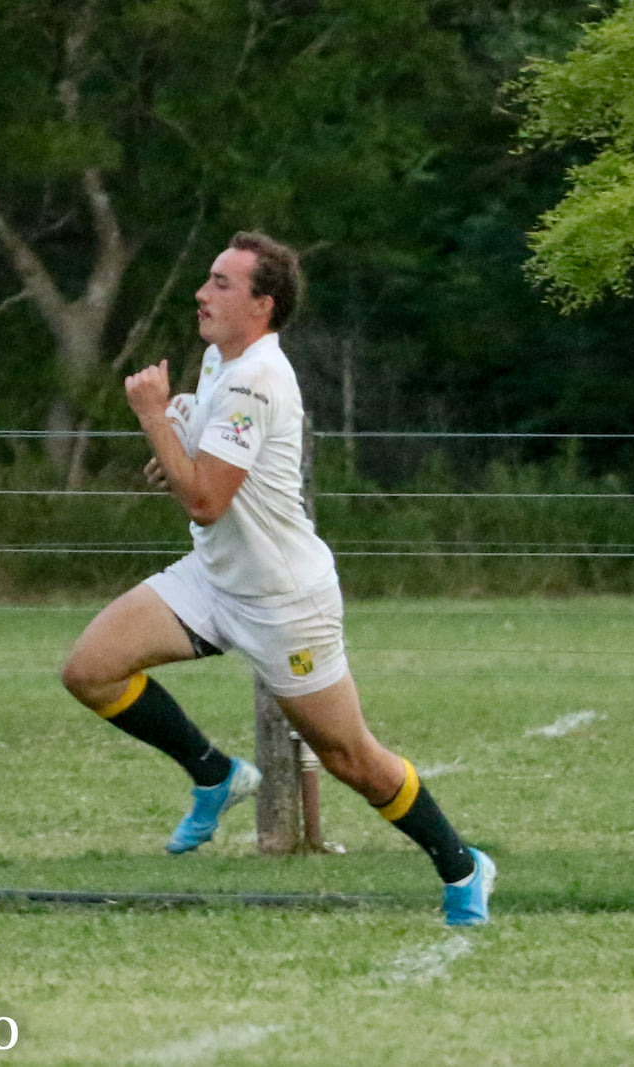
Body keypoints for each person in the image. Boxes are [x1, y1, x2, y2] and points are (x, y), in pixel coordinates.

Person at [57, 230, 495, 926]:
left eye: (222, 284)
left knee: (351, 759)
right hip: (214, 579)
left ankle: (463, 866)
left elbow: (206, 500)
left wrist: (152, 417)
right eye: (208, 279)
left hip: (284, 603)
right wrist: (175, 439)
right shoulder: (219, 359)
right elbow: (205, 471)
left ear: (262, 306)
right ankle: (216, 773)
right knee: (90, 670)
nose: (202, 293)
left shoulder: (258, 378)